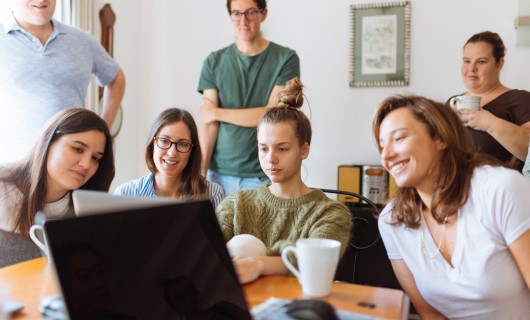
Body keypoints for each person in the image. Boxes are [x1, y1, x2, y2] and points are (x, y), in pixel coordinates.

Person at [373, 95, 530, 319]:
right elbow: (430, 314)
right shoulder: (392, 220)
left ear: (439, 138)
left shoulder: (501, 189)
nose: (386, 155)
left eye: (398, 138)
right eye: (381, 145)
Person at [216, 78, 352, 285]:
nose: (271, 158)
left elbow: (316, 264)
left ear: (304, 150)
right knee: (245, 244)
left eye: (282, 148)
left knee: (248, 245)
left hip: (297, 310)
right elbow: (204, 255)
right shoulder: (236, 204)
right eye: (263, 148)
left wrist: (259, 264)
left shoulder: (330, 213)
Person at [0, 0, 126, 164]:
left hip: (74, 168)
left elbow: (116, 78)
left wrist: (104, 128)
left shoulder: (82, 40)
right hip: (12, 169)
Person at [197, 0, 300, 196]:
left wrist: (216, 112)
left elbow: (272, 114)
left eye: (251, 12)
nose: (243, 20)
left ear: (263, 13)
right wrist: (200, 175)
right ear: (230, 16)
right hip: (217, 176)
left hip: (263, 174)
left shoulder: (286, 59)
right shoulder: (213, 61)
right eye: (236, 13)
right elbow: (208, 124)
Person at [0, 108, 115, 268]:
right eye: (77, 149)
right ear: (48, 142)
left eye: (95, 158)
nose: (86, 164)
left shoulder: (87, 209)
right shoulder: (3, 186)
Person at [449, 31, 530, 171]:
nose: (471, 68)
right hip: (457, 190)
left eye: (481, 61)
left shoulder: (520, 99)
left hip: (501, 191)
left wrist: (489, 123)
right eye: (466, 61)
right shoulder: (452, 102)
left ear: (499, 64)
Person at [114, 108, 225, 208]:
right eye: (164, 141)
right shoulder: (124, 194)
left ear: (192, 151)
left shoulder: (213, 194)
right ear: (152, 144)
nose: (172, 153)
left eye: (183, 144)